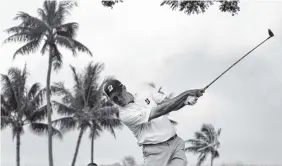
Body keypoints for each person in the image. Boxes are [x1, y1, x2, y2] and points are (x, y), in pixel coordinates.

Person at [103, 79, 204, 166]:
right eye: (114, 99)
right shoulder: (124, 115)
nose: (119, 99)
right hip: (155, 153)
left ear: (124, 88)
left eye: (119, 94)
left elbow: (170, 104)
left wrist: (185, 102)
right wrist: (186, 94)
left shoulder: (144, 91)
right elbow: (160, 110)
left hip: (176, 144)